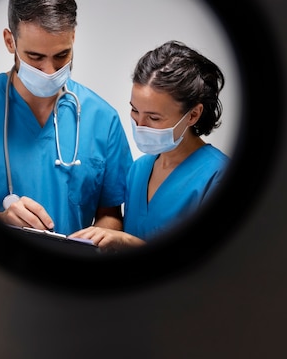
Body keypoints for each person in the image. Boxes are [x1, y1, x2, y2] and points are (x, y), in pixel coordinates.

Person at [0, 0, 133, 235]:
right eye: (35, 57)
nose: (49, 71)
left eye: (61, 56)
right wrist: (0, 221)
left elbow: (111, 214)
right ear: (10, 41)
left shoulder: (103, 120)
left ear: (73, 37)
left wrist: (100, 236)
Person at [69, 40, 230, 250]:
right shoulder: (138, 170)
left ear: (193, 115)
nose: (140, 125)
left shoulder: (217, 176)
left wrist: (127, 242)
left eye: (154, 118)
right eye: (135, 111)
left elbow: (211, 269)